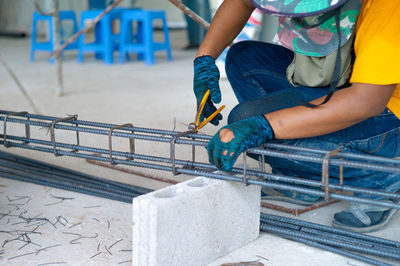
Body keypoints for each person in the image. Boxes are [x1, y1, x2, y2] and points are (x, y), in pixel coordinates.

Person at [192, 0, 400, 232]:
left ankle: (382, 178)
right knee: (244, 58)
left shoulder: (388, 5)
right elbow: (242, 1)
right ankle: (304, 177)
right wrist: (204, 59)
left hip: (386, 109)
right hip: (349, 80)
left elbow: (365, 102)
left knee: (245, 119)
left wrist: (265, 126)